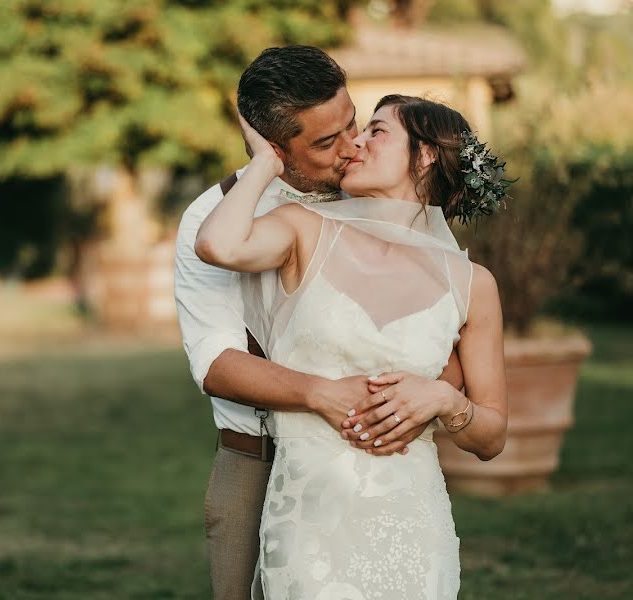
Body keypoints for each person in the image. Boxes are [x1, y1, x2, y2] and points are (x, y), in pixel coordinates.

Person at [174, 46, 468, 599]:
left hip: (380, 463)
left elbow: (442, 327)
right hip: (258, 458)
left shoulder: (380, 197)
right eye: (326, 143)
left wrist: (417, 403)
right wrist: (322, 394)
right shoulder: (208, 219)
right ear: (274, 147)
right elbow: (215, 363)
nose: (352, 146)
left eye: (353, 123)